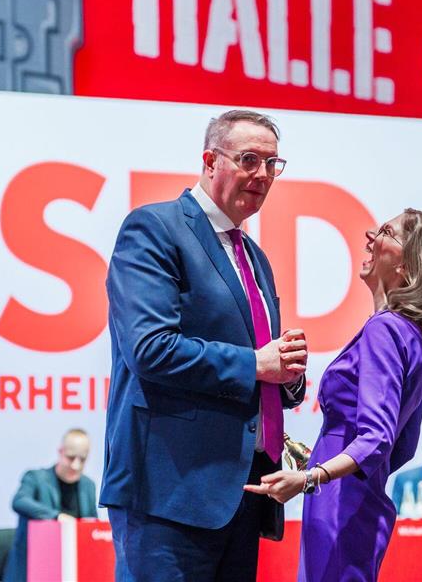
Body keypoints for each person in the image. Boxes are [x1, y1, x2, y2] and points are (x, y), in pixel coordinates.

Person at [100, 110, 308, 581]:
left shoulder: (254, 256)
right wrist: (256, 363)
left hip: (241, 494)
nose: (262, 174)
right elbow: (150, 348)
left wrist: (286, 376)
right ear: (210, 161)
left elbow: (258, 364)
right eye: (249, 159)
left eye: (272, 164)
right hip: (168, 492)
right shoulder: (154, 228)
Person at [246, 209, 422, 582]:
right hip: (358, 498)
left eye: (387, 232)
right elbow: (401, 446)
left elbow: (379, 438)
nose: (370, 235)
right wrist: (323, 457)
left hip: (339, 504)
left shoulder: (385, 330)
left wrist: (313, 476)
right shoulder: (414, 339)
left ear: (408, 267)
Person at [3, 428, 97, 582]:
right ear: (60, 451)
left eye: (82, 459)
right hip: (34, 565)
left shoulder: (88, 486)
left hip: (72, 566)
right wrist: (57, 516)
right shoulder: (36, 478)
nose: (76, 465)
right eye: (71, 457)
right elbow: (19, 501)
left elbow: (92, 522)